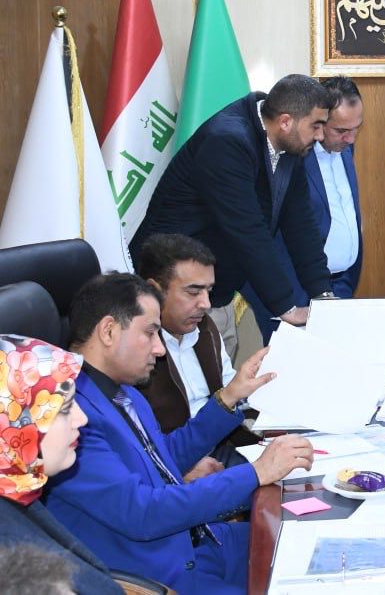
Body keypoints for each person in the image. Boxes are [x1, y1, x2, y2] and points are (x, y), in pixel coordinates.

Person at [45, 273, 314, 593]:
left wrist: (229, 397)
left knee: (310, 538)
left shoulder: (121, 390)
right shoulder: (67, 421)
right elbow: (143, 512)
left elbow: (162, 458)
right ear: (108, 331)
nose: (160, 349)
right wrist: (256, 473)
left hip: (204, 542)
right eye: (150, 333)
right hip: (167, 576)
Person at [131, 74, 337, 362]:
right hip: (172, 296)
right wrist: (286, 307)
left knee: (219, 379)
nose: (320, 136)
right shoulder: (226, 140)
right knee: (187, 386)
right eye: (316, 126)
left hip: (215, 293)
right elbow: (248, 230)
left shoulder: (291, 146)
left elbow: (301, 226)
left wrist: (323, 296)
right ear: (285, 121)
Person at [243, 75, 364, 341]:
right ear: (319, 120)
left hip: (339, 285)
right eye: (341, 130)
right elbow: (270, 229)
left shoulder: (344, 146)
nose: (351, 138)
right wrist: (290, 300)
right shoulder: (290, 154)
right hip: (292, 289)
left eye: (356, 128)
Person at [0, 335, 122, 594]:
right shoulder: (11, 563)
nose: (82, 418)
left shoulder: (18, 491)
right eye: (64, 409)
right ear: (15, 426)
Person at [133, 233, 259, 463]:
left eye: (208, 291)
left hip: (221, 447)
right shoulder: (133, 347)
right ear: (154, 291)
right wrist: (178, 469)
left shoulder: (204, 327)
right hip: (169, 461)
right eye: (193, 292)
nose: (206, 304)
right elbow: (134, 444)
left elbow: (230, 387)